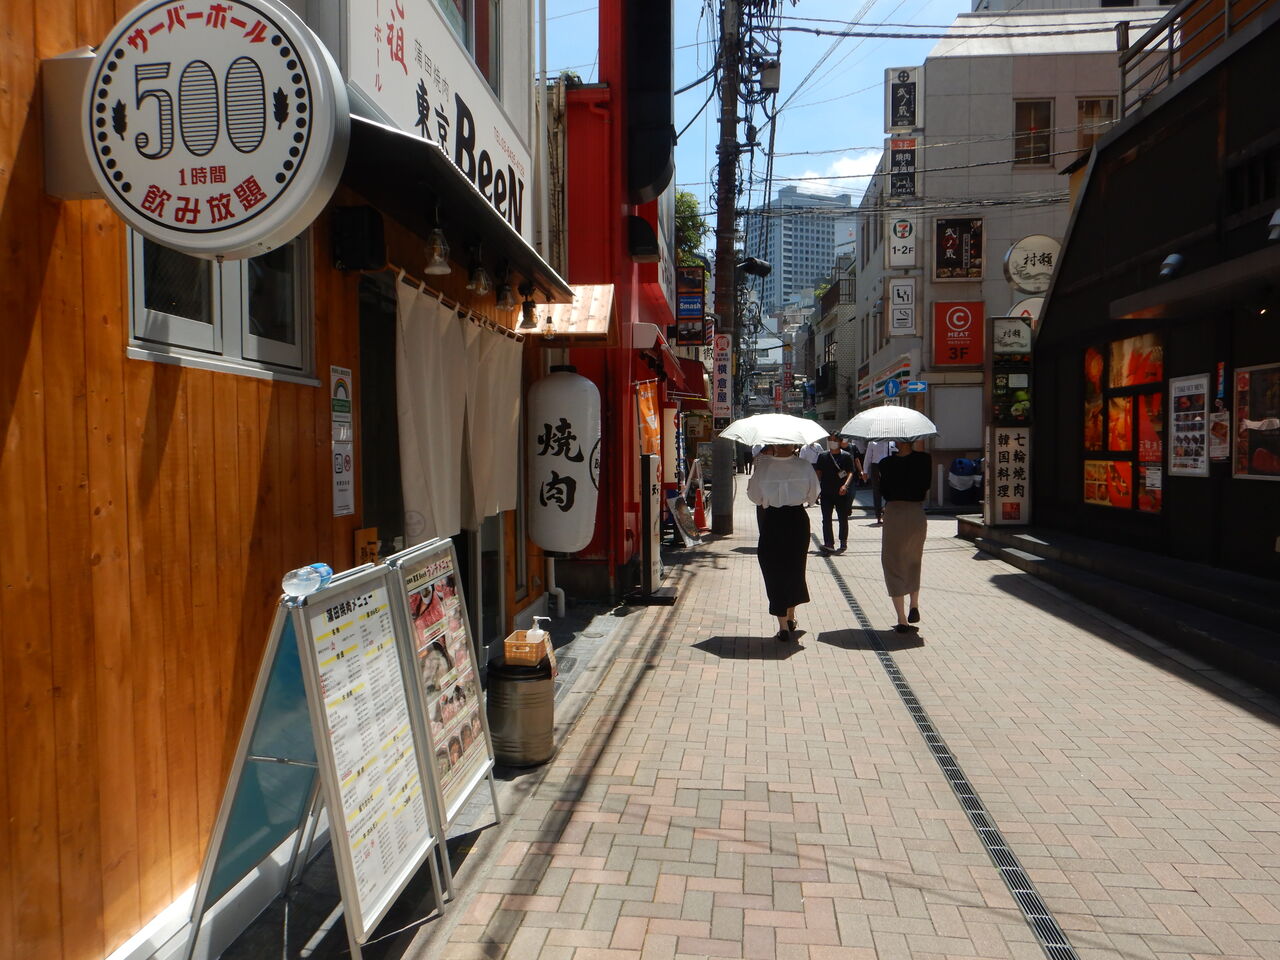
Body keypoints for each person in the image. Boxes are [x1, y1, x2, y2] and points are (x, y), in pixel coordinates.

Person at [746, 443, 820, 641]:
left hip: (773, 519)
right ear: (795, 444)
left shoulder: (764, 466)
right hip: (797, 519)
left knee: (773, 569)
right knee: (795, 568)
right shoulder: (804, 466)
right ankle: (791, 616)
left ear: (774, 445)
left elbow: (754, 496)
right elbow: (813, 495)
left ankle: (783, 625)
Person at [877, 438, 932, 632]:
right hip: (916, 512)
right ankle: (914, 604)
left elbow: (883, 490)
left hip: (894, 512)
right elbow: (926, 485)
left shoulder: (885, 463)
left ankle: (901, 619)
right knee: (913, 559)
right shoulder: (925, 460)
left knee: (892, 562)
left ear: (898, 442)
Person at [813, 434, 860, 553]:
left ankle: (843, 541)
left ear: (840, 441)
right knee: (826, 519)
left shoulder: (846, 456)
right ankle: (829, 543)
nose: (832, 442)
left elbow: (850, 473)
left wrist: (845, 485)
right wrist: (816, 488)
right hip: (826, 492)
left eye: (834, 440)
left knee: (842, 518)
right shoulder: (823, 456)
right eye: (830, 440)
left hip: (841, 492)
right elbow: (818, 473)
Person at [861, 438, 896, 524]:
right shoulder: (872, 442)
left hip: (889, 466)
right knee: (877, 492)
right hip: (876, 467)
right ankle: (878, 515)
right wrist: (865, 471)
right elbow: (868, 457)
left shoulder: (892, 442)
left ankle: (886, 511)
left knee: (890, 491)